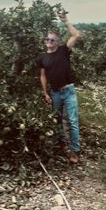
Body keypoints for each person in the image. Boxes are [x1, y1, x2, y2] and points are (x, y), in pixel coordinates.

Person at [37, 12, 82, 163]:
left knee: (73, 121)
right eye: (47, 39)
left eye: (52, 39)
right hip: (54, 93)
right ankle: (62, 143)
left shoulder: (63, 50)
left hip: (68, 91)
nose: (49, 41)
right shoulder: (42, 57)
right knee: (57, 120)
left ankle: (74, 151)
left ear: (57, 42)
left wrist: (66, 21)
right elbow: (43, 76)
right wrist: (45, 93)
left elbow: (76, 35)